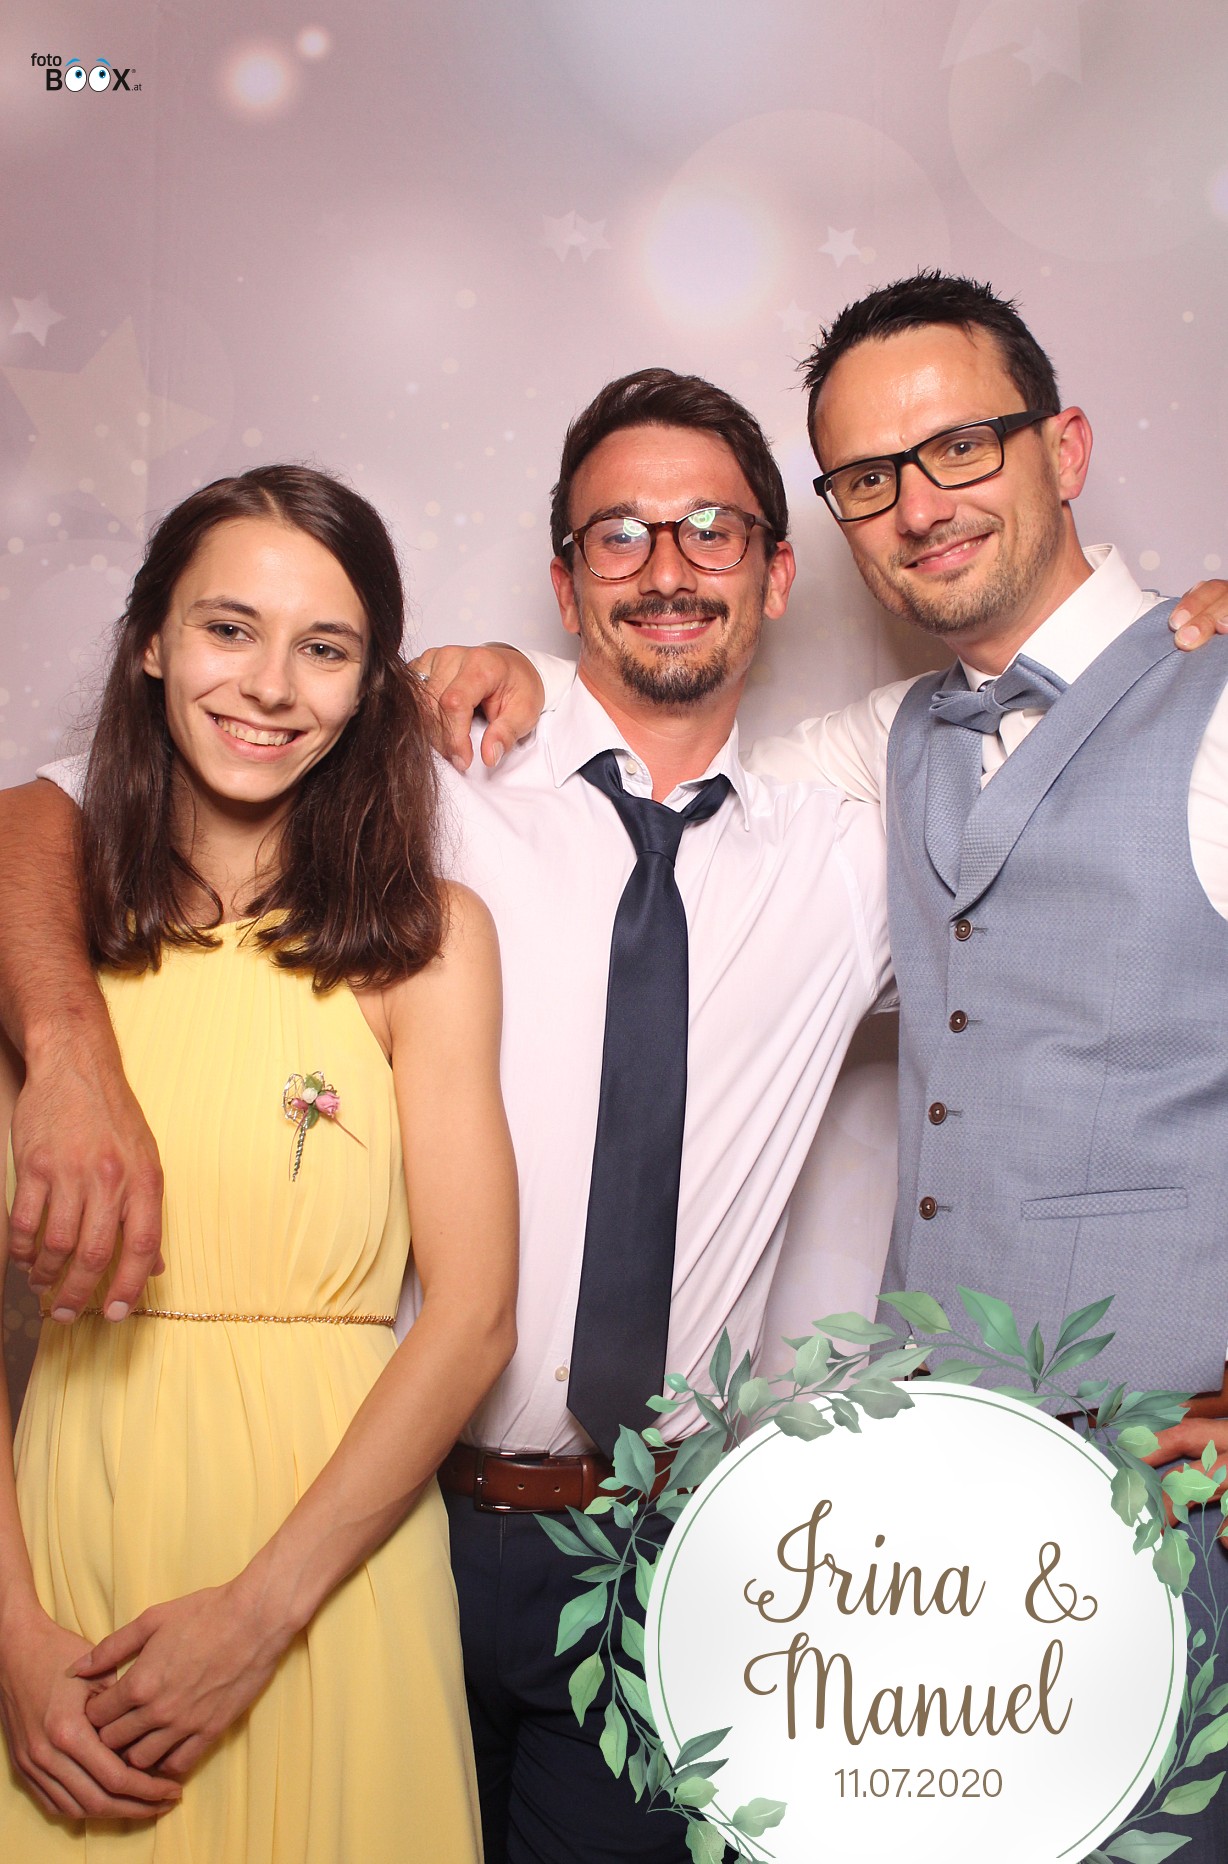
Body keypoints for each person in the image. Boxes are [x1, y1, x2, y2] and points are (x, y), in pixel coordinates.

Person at [0, 374, 892, 1862]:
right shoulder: (429, 773)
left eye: (712, 530)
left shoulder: (846, 855)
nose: (668, 567)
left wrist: (1176, 655)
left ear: (777, 570)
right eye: (619, 535)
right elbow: (49, 810)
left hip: (638, 1541)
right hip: (385, 1500)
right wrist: (68, 1046)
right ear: (564, 578)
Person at [423, 274, 1228, 1859]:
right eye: (868, 476)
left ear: (1065, 445)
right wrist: (461, 674)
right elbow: (665, 742)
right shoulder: (879, 753)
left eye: (961, 446)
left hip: (1176, 1510)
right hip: (940, 1546)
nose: (919, 504)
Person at [0, 465, 518, 1860]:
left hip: (326, 1567)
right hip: (71, 1551)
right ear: (150, 644)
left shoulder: (430, 943)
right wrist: (13, 1637)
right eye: (229, 629)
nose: (272, 686)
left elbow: (473, 1317)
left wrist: (255, 1618)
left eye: (325, 648)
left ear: (369, 688)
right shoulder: (41, 958)